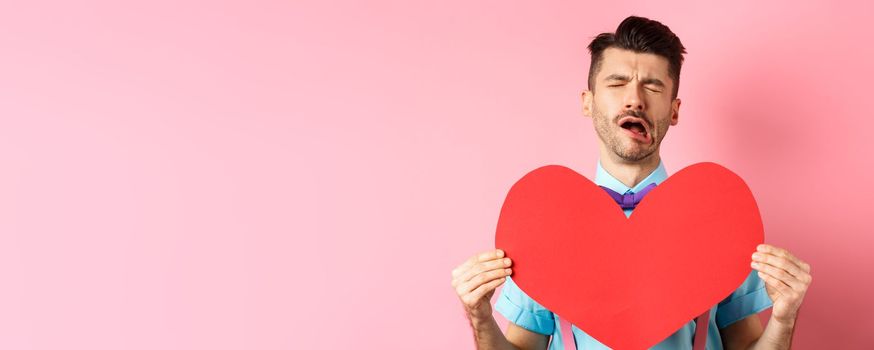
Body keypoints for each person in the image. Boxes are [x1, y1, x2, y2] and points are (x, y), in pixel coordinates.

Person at [451, 16, 812, 350]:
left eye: (653, 86)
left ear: (673, 110)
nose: (634, 99)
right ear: (588, 103)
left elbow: (746, 346)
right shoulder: (544, 220)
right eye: (617, 82)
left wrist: (784, 317)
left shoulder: (719, 218)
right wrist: (480, 316)